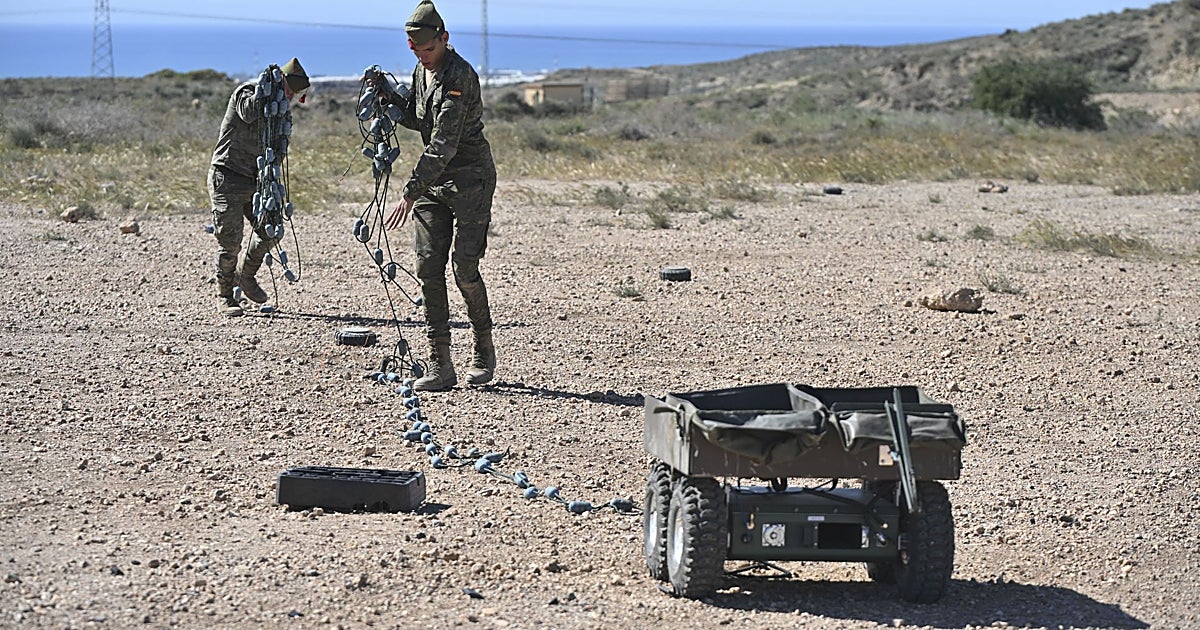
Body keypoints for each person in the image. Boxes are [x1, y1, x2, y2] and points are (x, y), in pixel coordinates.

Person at [371, 0, 497, 391]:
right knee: (428, 269)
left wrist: (409, 192)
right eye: (417, 52)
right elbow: (419, 118)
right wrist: (389, 99)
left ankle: (482, 349)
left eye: (430, 50)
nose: (424, 58)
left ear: (444, 38)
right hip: (434, 185)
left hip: (469, 180)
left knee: (464, 269)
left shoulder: (459, 76)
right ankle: (440, 365)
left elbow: (442, 142)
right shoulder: (423, 69)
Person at [208, 57, 309, 317]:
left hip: (256, 181)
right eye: (288, 91)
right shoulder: (248, 93)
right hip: (227, 177)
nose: (289, 98)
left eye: (293, 94)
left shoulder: (280, 113)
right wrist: (269, 90)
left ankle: (246, 276)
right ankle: (225, 295)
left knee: (271, 231)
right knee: (230, 242)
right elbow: (249, 112)